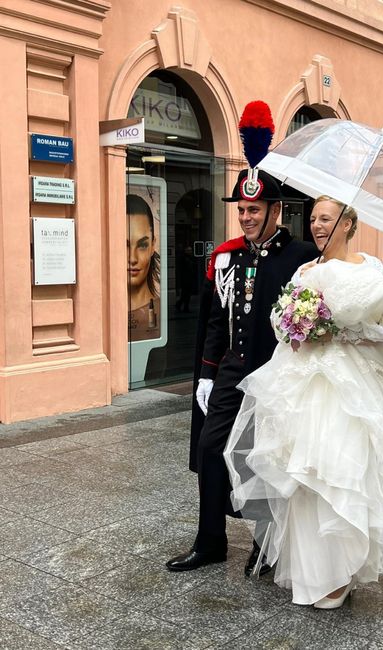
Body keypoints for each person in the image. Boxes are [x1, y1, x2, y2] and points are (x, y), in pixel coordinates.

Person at [224, 195, 383, 609]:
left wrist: (339, 331)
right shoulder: (305, 270)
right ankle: (312, 573)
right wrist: (300, 323)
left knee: (340, 472)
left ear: (348, 223)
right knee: (304, 478)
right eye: (313, 218)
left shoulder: (370, 270)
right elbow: (279, 323)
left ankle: (341, 572)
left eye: (326, 218)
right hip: (303, 388)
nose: (317, 226)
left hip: (348, 389)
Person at [165, 168, 317, 574]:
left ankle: (265, 545)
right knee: (210, 448)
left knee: (267, 457)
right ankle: (210, 540)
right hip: (233, 371)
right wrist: (208, 374)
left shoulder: (302, 257)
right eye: (242, 209)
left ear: (276, 210)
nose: (247, 216)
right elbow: (217, 320)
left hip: (278, 373)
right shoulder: (229, 257)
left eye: (255, 209)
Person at [127, 194, 161, 342]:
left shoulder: (161, 311)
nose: (132, 258)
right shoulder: (101, 312)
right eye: (125, 245)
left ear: (153, 245)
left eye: (142, 245)